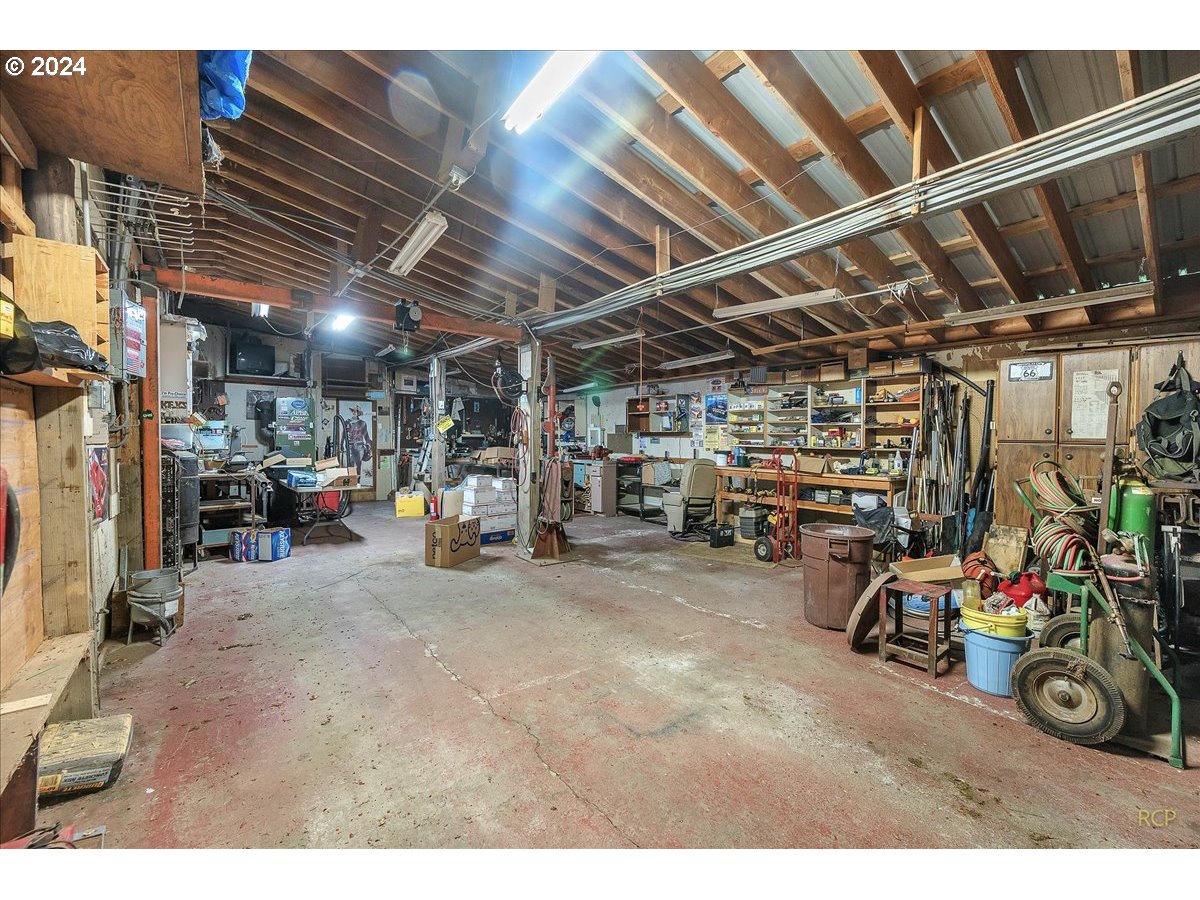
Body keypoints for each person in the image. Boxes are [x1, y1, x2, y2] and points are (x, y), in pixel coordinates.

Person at [344, 405, 373, 479]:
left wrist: (369, 445)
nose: (354, 412)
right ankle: (351, 482)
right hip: (350, 445)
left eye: (356, 411)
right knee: (350, 464)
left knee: (358, 464)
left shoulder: (363, 423)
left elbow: (366, 435)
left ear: (358, 413)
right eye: (353, 411)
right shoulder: (347, 422)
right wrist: (341, 444)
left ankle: (358, 482)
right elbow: (344, 434)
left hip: (360, 445)